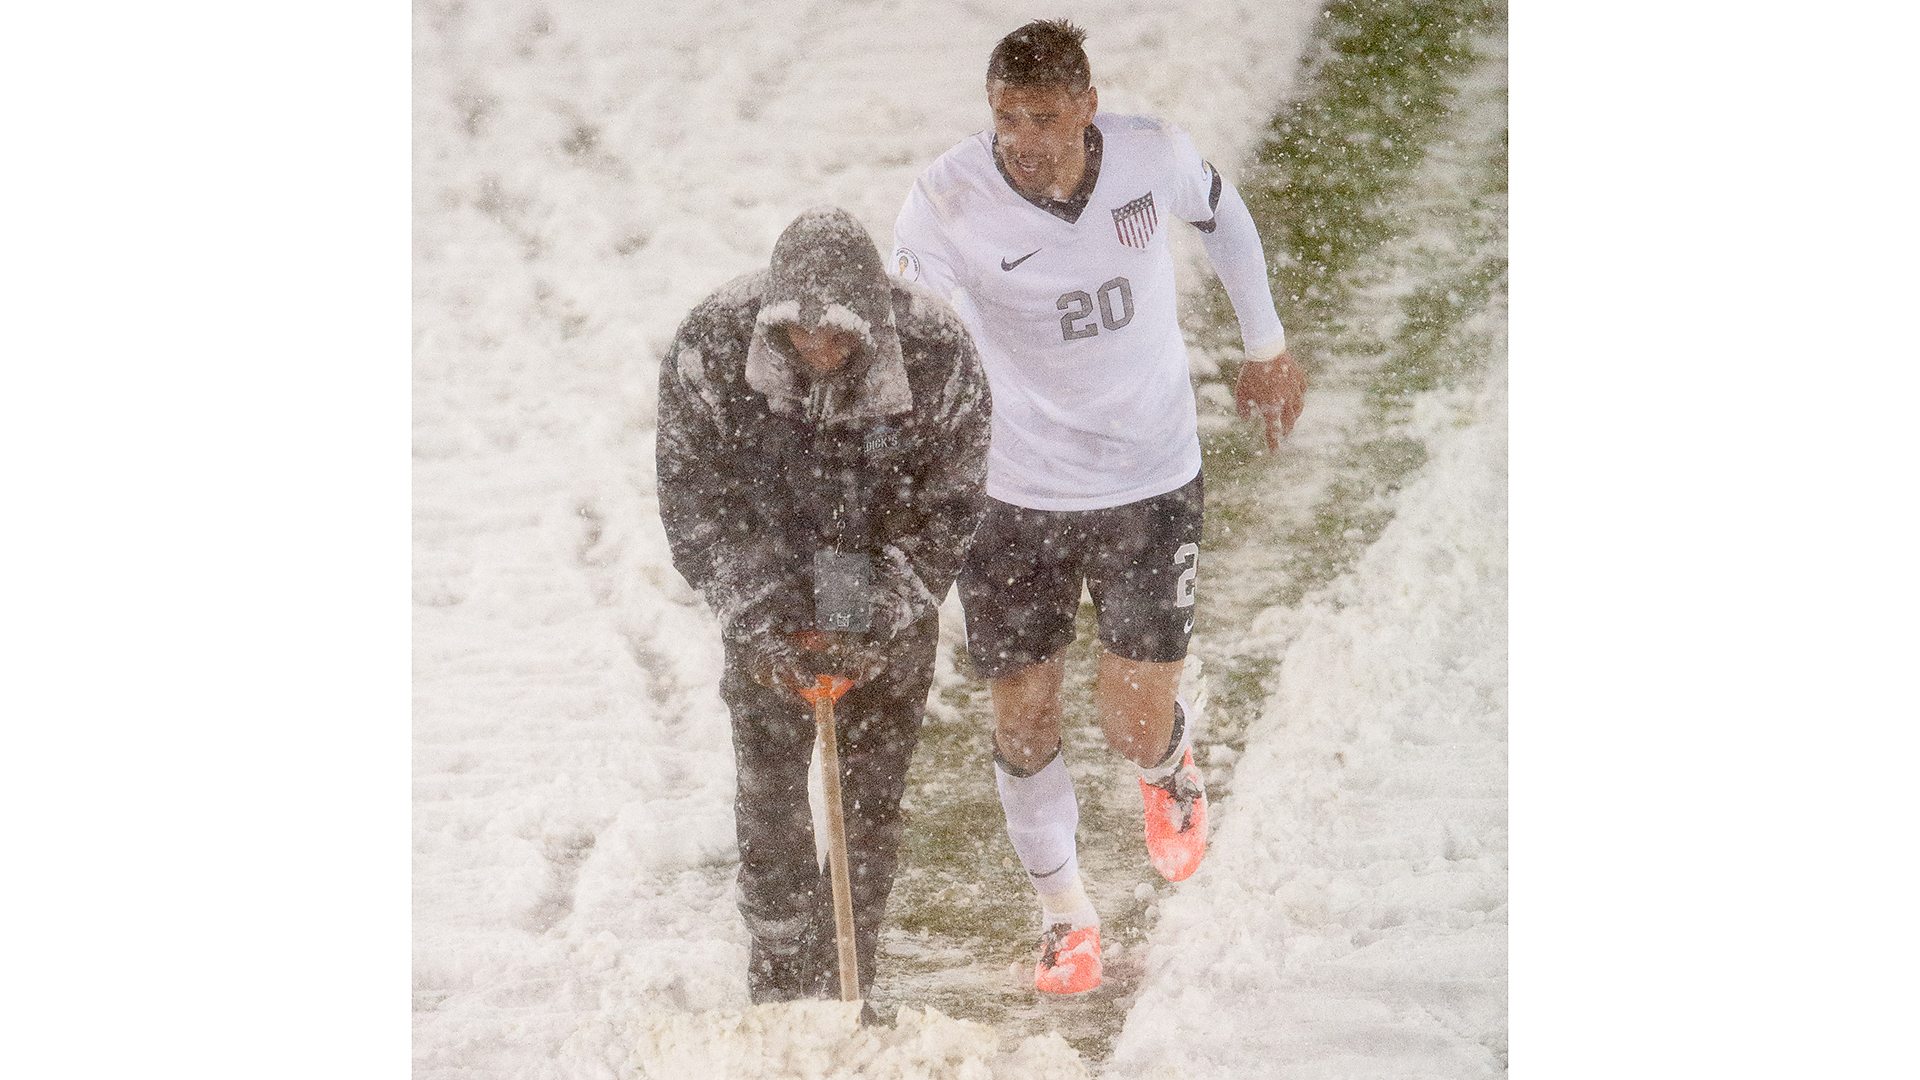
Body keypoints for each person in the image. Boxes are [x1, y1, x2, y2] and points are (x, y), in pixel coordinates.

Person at [889, 19, 1308, 995]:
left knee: (1128, 719)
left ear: (1086, 105)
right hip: (1015, 495)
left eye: (1043, 116)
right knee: (1024, 715)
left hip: (1150, 478)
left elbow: (1221, 215)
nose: (1023, 140)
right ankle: (1067, 918)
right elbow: (918, 325)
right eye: (1005, 118)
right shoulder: (949, 200)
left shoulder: (1150, 156)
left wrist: (1266, 345)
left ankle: (1167, 764)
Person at [656, 207, 991, 1011]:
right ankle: (778, 980)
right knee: (769, 787)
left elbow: (949, 509)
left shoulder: (939, 356)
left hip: (878, 562)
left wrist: (871, 619)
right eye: (799, 337)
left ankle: (849, 972)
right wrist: (762, 616)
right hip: (766, 560)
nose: (818, 353)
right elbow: (693, 500)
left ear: (872, 321)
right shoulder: (712, 344)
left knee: (869, 798)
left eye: (839, 338)